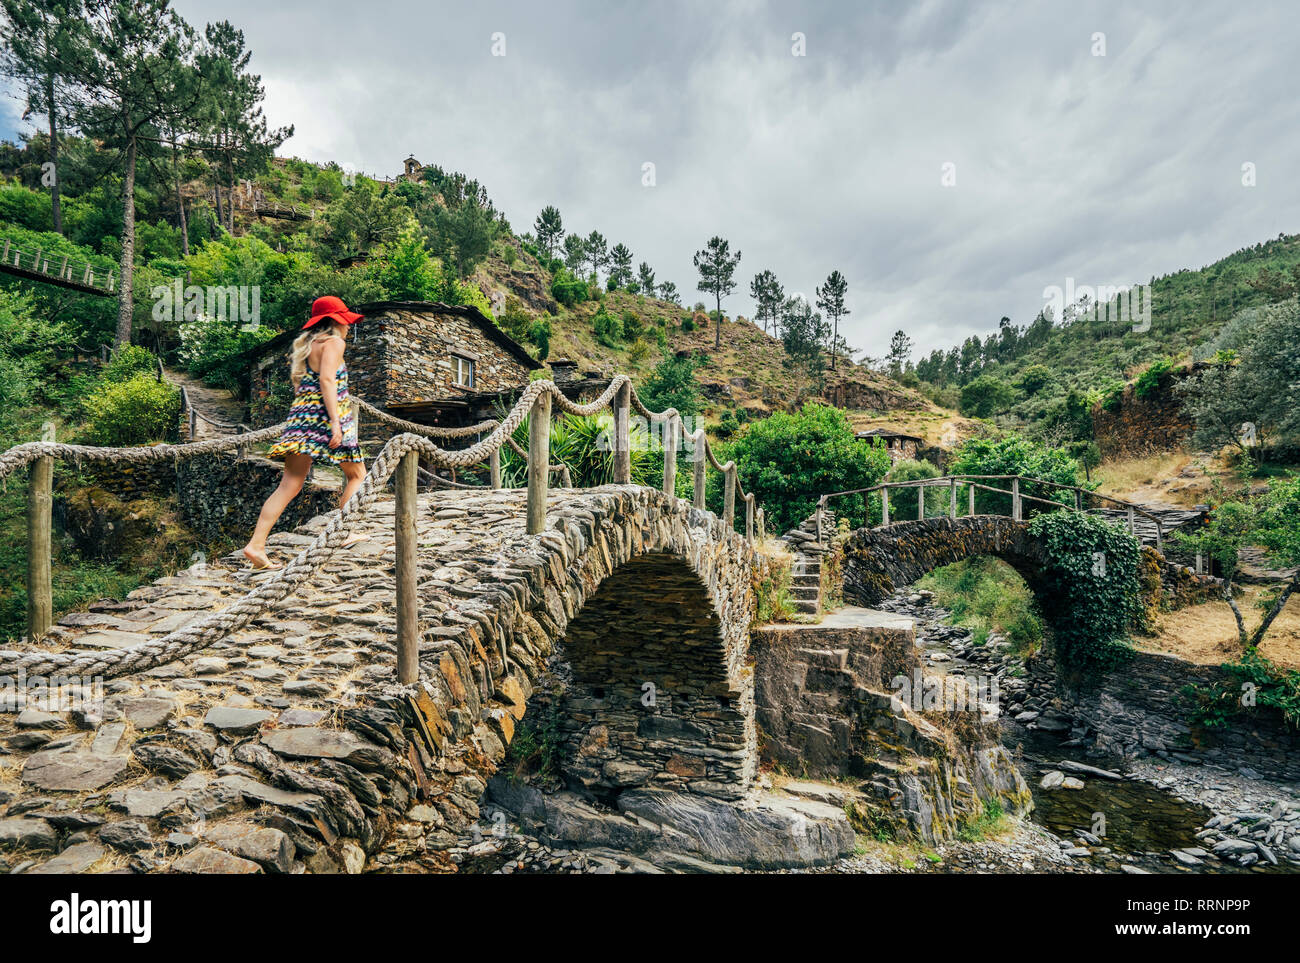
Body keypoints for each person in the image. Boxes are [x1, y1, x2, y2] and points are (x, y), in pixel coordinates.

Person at [242, 296, 368, 570]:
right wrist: (336, 421)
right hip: (326, 416)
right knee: (357, 475)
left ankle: (256, 545)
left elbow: (303, 388)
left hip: (301, 417)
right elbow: (326, 380)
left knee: (290, 483)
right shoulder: (335, 343)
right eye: (345, 320)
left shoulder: (307, 347)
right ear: (334, 321)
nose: (348, 326)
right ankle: (344, 534)